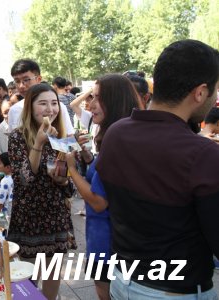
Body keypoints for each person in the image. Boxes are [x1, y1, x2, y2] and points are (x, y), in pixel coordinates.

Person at [96, 40, 219, 299]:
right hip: (174, 290)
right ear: (200, 92)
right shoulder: (202, 154)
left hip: (123, 280)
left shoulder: (116, 133)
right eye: (215, 90)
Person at [65, 74, 140, 300]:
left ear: (115, 101)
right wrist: (89, 158)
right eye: (91, 97)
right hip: (117, 237)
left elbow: (98, 201)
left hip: (107, 239)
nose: (90, 104)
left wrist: (71, 169)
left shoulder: (117, 141)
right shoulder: (123, 136)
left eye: (98, 98)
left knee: (105, 291)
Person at [7, 83, 75, 300]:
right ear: (30, 107)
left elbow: (69, 189)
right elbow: (24, 179)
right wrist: (38, 143)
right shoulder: (17, 137)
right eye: (43, 103)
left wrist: (63, 181)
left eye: (54, 103)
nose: (50, 109)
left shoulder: (62, 138)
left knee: (53, 271)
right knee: (28, 274)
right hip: (28, 215)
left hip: (56, 214)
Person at [7, 59, 75, 136]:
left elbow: (69, 137)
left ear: (38, 79)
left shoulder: (58, 108)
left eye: (26, 80)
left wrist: (74, 146)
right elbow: (13, 141)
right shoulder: (14, 110)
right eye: (17, 81)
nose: (21, 86)